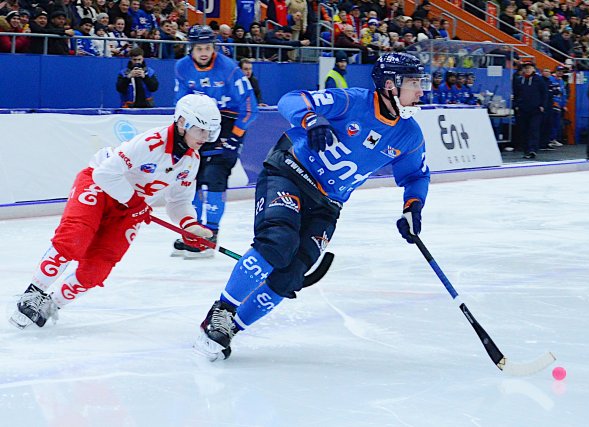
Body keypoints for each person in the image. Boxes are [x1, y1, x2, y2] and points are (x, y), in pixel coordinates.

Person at [192, 52, 431, 362]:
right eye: (414, 83)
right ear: (389, 84)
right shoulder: (351, 101)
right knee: (277, 242)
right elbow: (291, 100)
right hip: (290, 172)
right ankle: (220, 313)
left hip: (328, 204)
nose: (421, 91)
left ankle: (229, 330)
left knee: (291, 274)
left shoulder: (409, 135)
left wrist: (413, 208)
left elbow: (415, 176)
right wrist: (312, 119)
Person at [9, 94, 222, 330]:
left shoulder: (191, 161)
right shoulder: (151, 142)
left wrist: (189, 224)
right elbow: (104, 174)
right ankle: (33, 292)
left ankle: (52, 304)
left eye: (210, 132)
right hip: (99, 188)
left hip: (130, 208)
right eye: (202, 130)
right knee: (74, 238)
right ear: (182, 122)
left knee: (98, 267)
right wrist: (136, 203)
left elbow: (179, 200)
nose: (206, 137)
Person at [173, 25, 258, 257]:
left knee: (214, 178)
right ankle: (194, 231)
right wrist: (180, 131)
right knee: (193, 179)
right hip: (197, 126)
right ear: (191, 49)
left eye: (208, 48)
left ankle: (211, 233)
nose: (203, 52)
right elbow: (180, 102)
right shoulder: (182, 67)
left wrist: (235, 138)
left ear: (214, 48)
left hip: (227, 127)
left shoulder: (229, 68)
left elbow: (250, 107)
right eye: (199, 48)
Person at [512, 60, 546, 159]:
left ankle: (532, 149)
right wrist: (516, 105)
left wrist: (542, 105)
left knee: (534, 129)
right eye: (526, 68)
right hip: (523, 109)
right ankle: (526, 150)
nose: (527, 69)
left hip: (535, 109)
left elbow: (544, 93)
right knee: (524, 130)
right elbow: (516, 93)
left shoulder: (539, 80)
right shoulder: (519, 80)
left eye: (529, 68)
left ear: (533, 69)